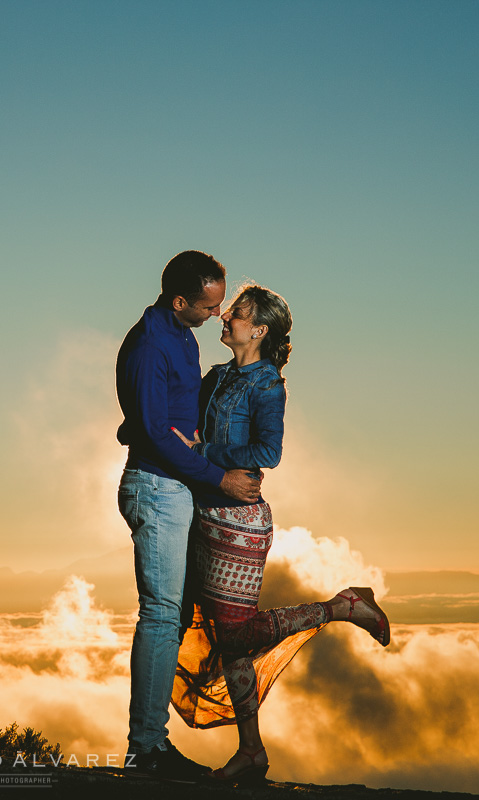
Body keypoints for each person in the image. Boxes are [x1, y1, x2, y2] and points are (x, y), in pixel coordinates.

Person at [167, 284, 391, 784]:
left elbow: (268, 451)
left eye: (239, 313)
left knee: (238, 635)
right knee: (228, 645)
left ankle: (344, 606)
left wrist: (205, 457)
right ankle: (251, 752)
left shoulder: (266, 386)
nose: (226, 316)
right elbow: (186, 430)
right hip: (204, 515)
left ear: (260, 330)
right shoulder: (218, 376)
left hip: (239, 524)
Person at [115, 250, 263, 777]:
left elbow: (160, 417)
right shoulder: (151, 344)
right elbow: (155, 433)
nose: (216, 316)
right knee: (160, 613)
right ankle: (145, 749)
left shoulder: (180, 333)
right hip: (156, 490)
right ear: (181, 301)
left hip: (176, 487)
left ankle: (151, 742)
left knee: (174, 614)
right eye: (208, 307)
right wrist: (219, 478)